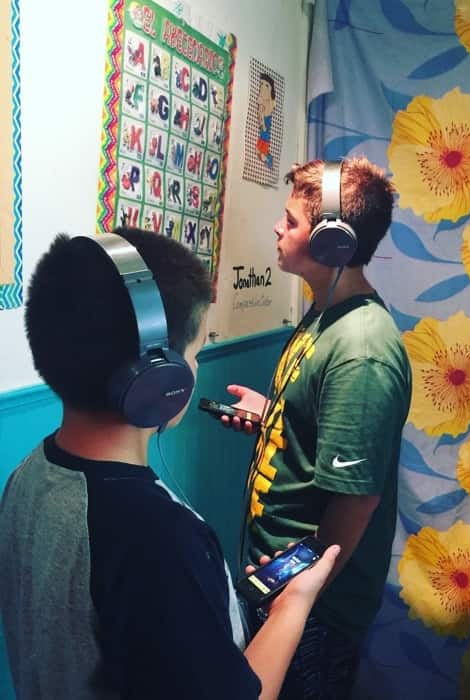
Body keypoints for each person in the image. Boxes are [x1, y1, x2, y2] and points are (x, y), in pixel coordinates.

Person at [0, 227, 339, 700]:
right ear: (157, 375)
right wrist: (292, 605)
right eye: (195, 353)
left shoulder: (26, 476)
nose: (195, 368)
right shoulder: (157, 538)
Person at [224, 157, 412, 699]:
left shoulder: (362, 350)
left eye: (292, 221)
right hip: (281, 582)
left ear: (333, 242)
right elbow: (326, 428)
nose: (278, 228)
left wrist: (300, 592)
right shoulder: (326, 316)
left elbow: (356, 500)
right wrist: (275, 418)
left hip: (313, 607)